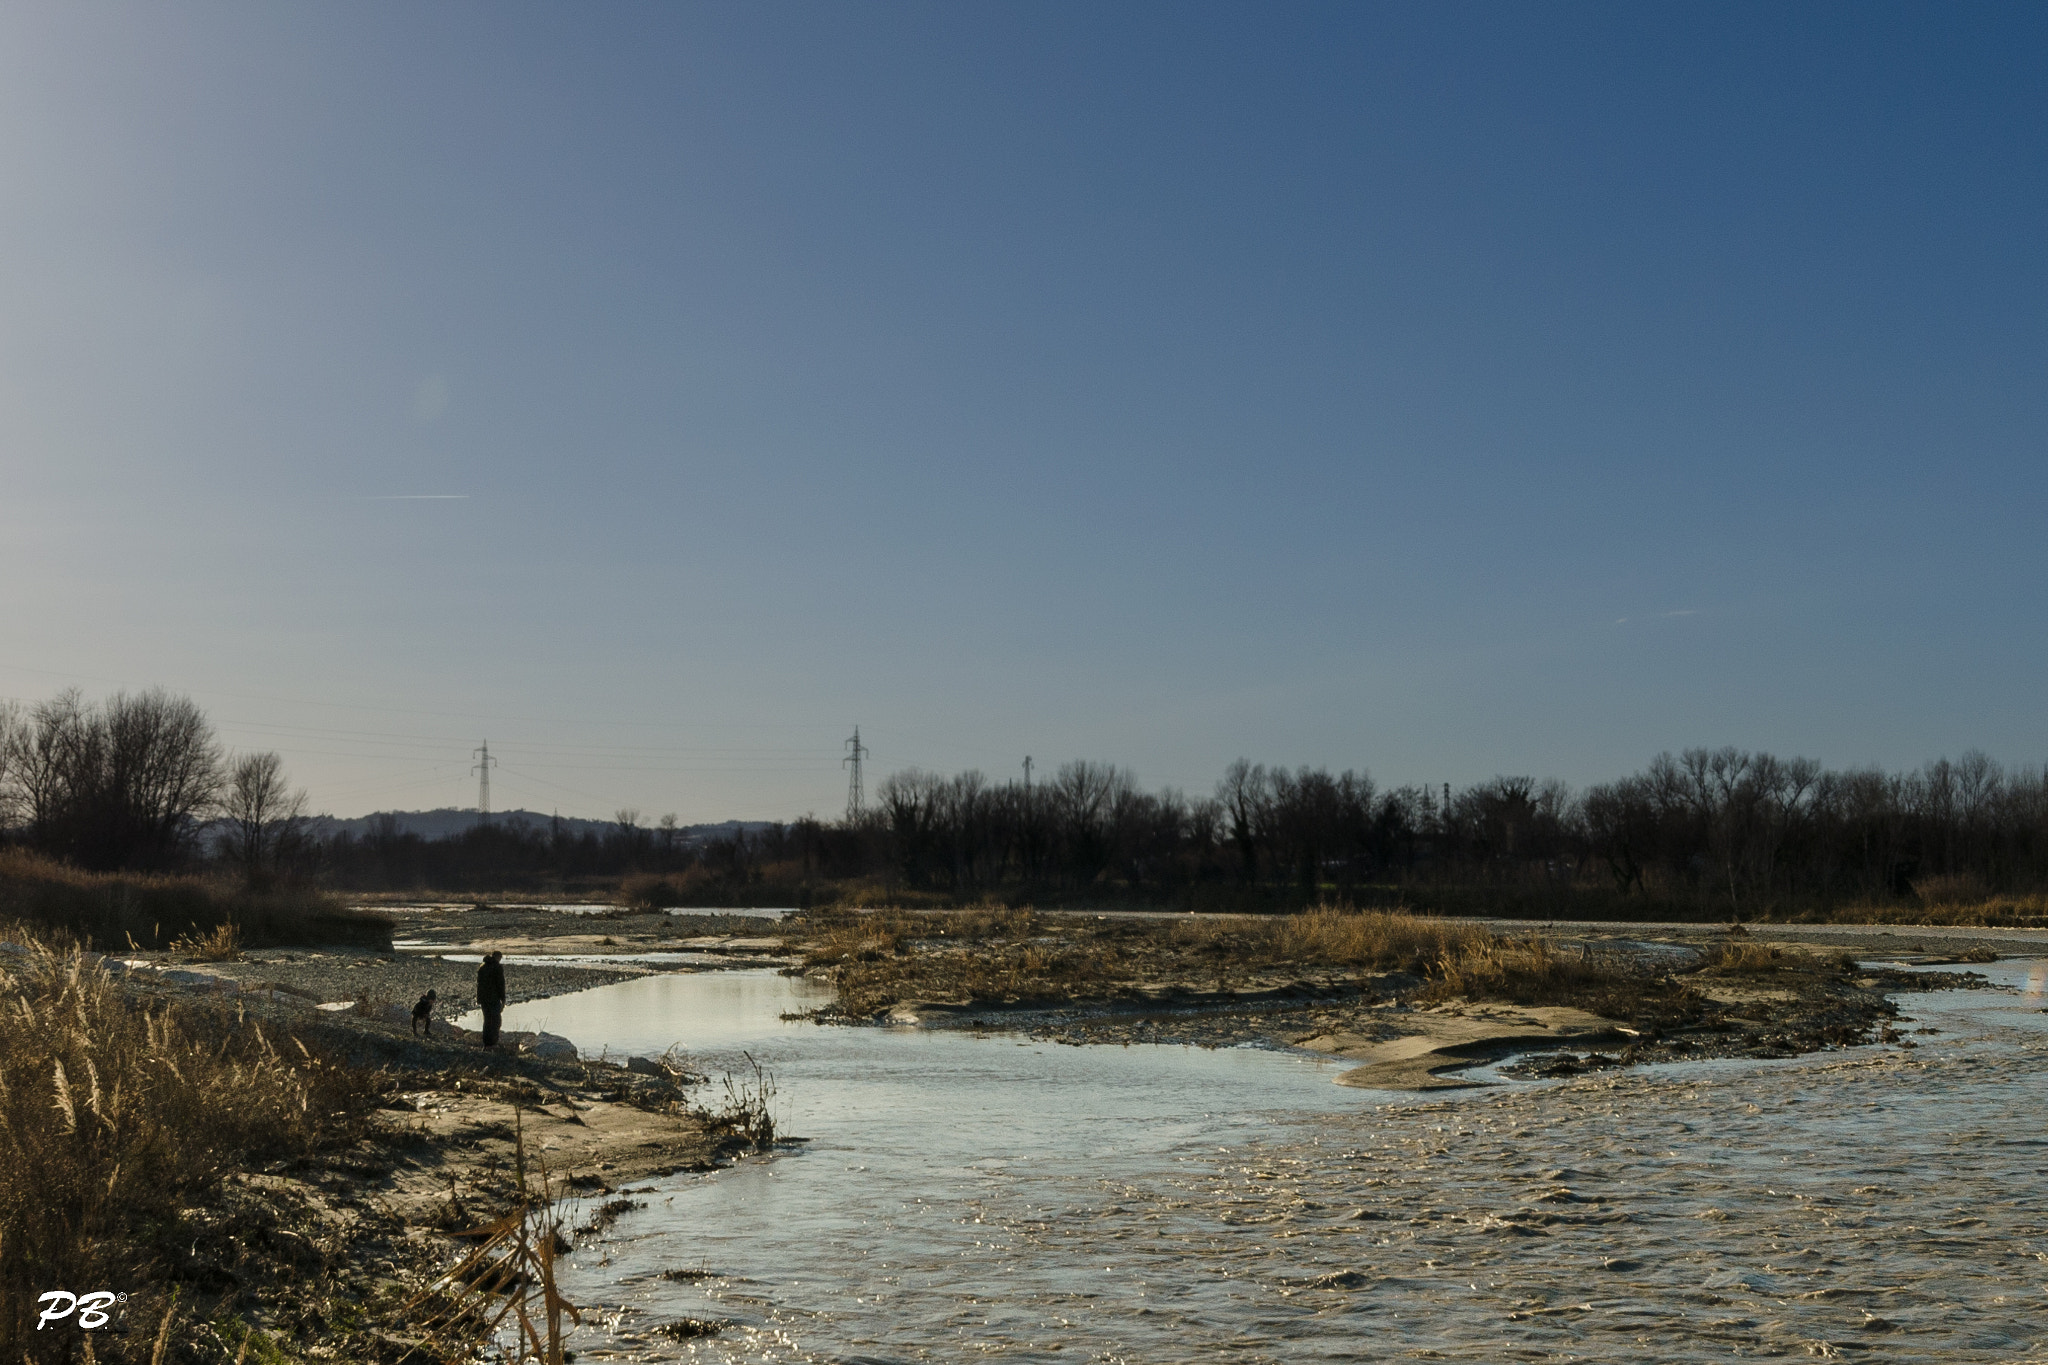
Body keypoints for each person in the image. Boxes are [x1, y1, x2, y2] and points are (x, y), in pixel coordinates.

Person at [476, 950, 506, 1047]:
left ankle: (486, 1043)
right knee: (496, 1021)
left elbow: (479, 984)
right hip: (493, 998)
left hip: (484, 999)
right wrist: (503, 999)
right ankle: (493, 1042)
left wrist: (479, 999)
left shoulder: (482, 967)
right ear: (498, 957)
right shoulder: (497, 967)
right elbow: (500, 984)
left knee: (487, 1020)